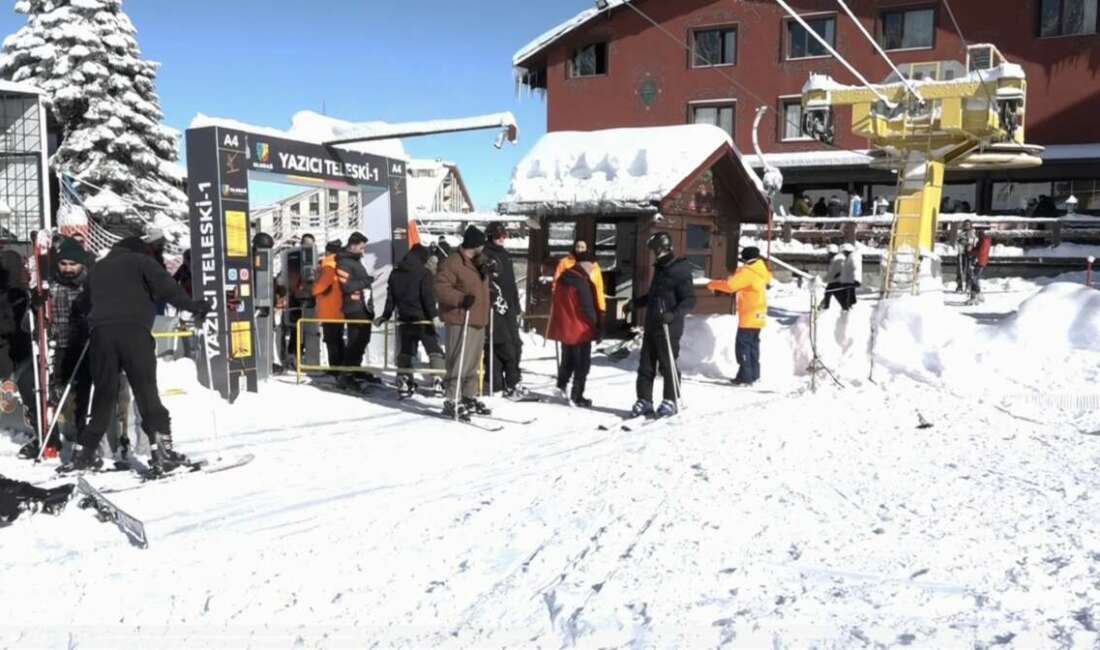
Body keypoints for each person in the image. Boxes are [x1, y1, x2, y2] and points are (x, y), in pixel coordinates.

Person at [59, 237, 210, 473]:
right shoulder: (141, 261)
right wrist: (195, 306)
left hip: (101, 337)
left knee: (103, 396)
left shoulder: (98, 268)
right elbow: (168, 288)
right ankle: (162, 452)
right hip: (134, 335)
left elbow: (82, 303)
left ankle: (84, 453)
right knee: (146, 392)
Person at [18, 238, 91, 459]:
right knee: (27, 382)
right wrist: (36, 308)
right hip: (54, 349)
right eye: (64, 264)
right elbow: (26, 325)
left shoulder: (90, 286)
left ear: (82, 265)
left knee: (83, 388)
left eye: (73, 264)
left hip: (82, 349)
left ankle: (84, 442)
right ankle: (47, 437)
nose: (68, 268)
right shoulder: (49, 286)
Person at [628, 232, 695, 418]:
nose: (653, 254)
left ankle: (670, 400)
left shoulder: (679, 269)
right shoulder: (660, 268)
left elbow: (689, 300)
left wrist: (672, 314)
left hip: (668, 328)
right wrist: (636, 303)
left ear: (660, 248)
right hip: (652, 325)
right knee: (646, 365)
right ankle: (644, 400)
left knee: (667, 365)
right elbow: (655, 296)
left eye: (654, 250)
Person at [434, 225, 492, 420]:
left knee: (473, 362)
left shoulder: (478, 262)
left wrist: (490, 268)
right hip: (460, 317)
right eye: (481, 244)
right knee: (459, 360)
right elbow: (440, 288)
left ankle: (468, 396)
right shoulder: (452, 262)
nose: (483, 248)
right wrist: (460, 298)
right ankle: (452, 399)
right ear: (474, 244)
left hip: (478, 318)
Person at [376, 244, 445, 398]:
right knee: (434, 350)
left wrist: (385, 316)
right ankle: (438, 380)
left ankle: (404, 380)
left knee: (406, 352)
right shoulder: (424, 272)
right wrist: (433, 316)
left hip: (405, 319)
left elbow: (390, 298)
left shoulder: (395, 273)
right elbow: (427, 297)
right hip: (423, 319)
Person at [707, 247, 773, 386]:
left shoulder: (748, 272)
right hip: (759, 314)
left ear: (745, 259)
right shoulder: (761, 269)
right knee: (753, 347)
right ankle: (754, 375)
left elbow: (731, 285)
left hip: (749, 315)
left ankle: (745, 377)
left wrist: (712, 284)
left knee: (742, 347)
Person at [548, 251, 602, 407]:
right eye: (593, 265)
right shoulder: (581, 282)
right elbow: (587, 308)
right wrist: (597, 326)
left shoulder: (563, 279)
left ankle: (561, 385)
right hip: (580, 330)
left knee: (568, 359)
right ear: (586, 264)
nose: (593, 269)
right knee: (582, 364)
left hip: (565, 327)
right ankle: (577, 396)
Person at [482, 222, 527, 399]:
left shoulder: (505, 255)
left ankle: (511, 381)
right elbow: (484, 281)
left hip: (508, 306)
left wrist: (516, 305)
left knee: (515, 343)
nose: (502, 238)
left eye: (504, 235)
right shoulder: (485, 255)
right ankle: (498, 382)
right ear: (490, 236)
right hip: (495, 307)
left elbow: (511, 283)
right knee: (499, 344)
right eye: (498, 235)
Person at [335, 232, 378, 390]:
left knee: (362, 340)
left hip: (362, 307)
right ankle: (346, 374)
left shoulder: (355, 261)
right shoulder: (344, 262)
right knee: (355, 341)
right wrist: (367, 280)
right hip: (354, 307)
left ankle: (355, 369)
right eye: (361, 247)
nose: (363, 251)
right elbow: (346, 286)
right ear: (353, 245)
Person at [312, 239, 345, 377]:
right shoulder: (341, 264)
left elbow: (321, 287)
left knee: (332, 341)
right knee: (338, 340)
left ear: (327, 251)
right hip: (340, 309)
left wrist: (314, 286)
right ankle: (342, 367)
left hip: (330, 310)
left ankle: (335, 369)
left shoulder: (329, 265)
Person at [554, 239, 606, 314]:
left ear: (586, 249)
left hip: (588, 301)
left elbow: (598, 287)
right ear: (574, 248)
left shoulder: (594, 265)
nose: (579, 249)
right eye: (577, 247)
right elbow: (556, 282)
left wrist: (602, 307)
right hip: (568, 302)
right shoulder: (564, 263)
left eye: (582, 247)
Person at [1, 474, 73, 523]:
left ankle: (62, 496)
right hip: (8, 510)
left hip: (11, 500)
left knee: (36, 493)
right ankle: (63, 497)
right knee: (35, 493)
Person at [968, 230, 992, 305]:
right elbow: (978, 249)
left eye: (977, 234)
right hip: (980, 261)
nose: (977, 236)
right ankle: (975, 296)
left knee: (974, 277)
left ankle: (977, 294)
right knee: (975, 278)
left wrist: (970, 252)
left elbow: (980, 252)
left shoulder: (984, 241)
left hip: (980, 261)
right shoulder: (983, 240)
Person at [954, 220, 977, 293]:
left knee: (969, 271)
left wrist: (969, 245)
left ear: (970, 225)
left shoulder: (972, 233)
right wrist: (963, 242)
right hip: (961, 253)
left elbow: (973, 243)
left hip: (969, 254)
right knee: (960, 271)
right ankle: (959, 286)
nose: (967, 226)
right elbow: (958, 241)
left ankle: (968, 286)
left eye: (968, 224)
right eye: (965, 224)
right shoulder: (961, 233)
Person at [820, 244, 844, 310]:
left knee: (833, 293)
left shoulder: (838, 259)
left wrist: (839, 274)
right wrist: (825, 279)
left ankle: (825, 306)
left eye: (828, 253)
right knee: (828, 292)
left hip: (837, 281)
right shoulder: (834, 259)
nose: (827, 255)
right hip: (834, 281)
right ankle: (825, 305)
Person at [839, 243, 862, 311]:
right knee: (849, 294)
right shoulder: (850, 257)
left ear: (847, 251)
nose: (843, 254)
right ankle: (848, 306)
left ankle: (847, 308)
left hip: (850, 280)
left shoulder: (853, 257)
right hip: (848, 280)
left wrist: (856, 279)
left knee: (847, 294)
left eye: (844, 252)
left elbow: (856, 268)